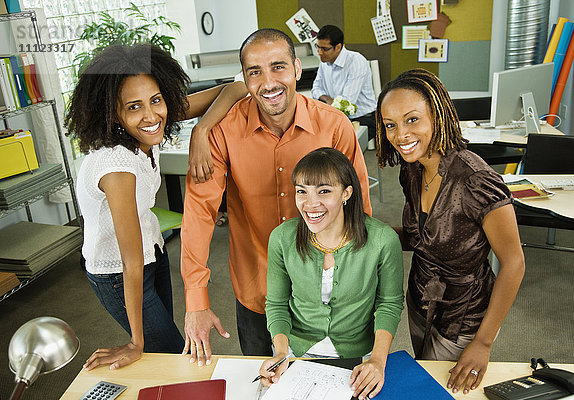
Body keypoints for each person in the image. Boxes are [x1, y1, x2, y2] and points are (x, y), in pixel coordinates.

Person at [180, 28, 372, 365]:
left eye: (278, 67)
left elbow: (359, 212)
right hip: (257, 289)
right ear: (244, 78)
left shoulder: (334, 127)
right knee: (263, 384)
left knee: (332, 384)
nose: (268, 82)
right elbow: (199, 213)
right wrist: (196, 299)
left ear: (298, 69)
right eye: (255, 71)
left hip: (328, 293)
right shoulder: (223, 131)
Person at [66, 43, 245, 371]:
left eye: (156, 100)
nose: (151, 115)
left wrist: (202, 130)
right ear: (113, 112)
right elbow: (129, 262)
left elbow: (237, 88)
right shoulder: (117, 165)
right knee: (175, 354)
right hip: (118, 273)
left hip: (154, 252)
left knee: (163, 355)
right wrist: (136, 342)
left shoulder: (146, 123)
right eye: (134, 106)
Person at [376, 69, 525, 394]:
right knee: (424, 380)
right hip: (420, 301)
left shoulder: (476, 181)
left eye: (412, 120)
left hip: (464, 317)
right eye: (390, 124)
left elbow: (514, 264)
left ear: (437, 116)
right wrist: (374, 235)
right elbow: (421, 237)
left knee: (441, 391)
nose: (400, 135)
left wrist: (483, 343)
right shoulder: (412, 170)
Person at [259, 147, 403, 400]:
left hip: (359, 355)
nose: (310, 204)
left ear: (347, 193)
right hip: (295, 351)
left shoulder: (382, 239)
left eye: (324, 191)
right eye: (302, 191)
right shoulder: (281, 238)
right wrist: (281, 351)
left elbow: (389, 304)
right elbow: (277, 303)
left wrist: (378, 361)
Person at [311, 25, 377, 144]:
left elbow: (347, 103)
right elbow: (315, 89)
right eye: (318, 47)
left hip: (363, 118)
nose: (320, 53)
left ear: (338, 47)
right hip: (335, 115)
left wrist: (328, 104)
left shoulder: (356, 62)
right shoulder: (324, 61)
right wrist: (327, 99)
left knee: (340, 148)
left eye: (325, 49)